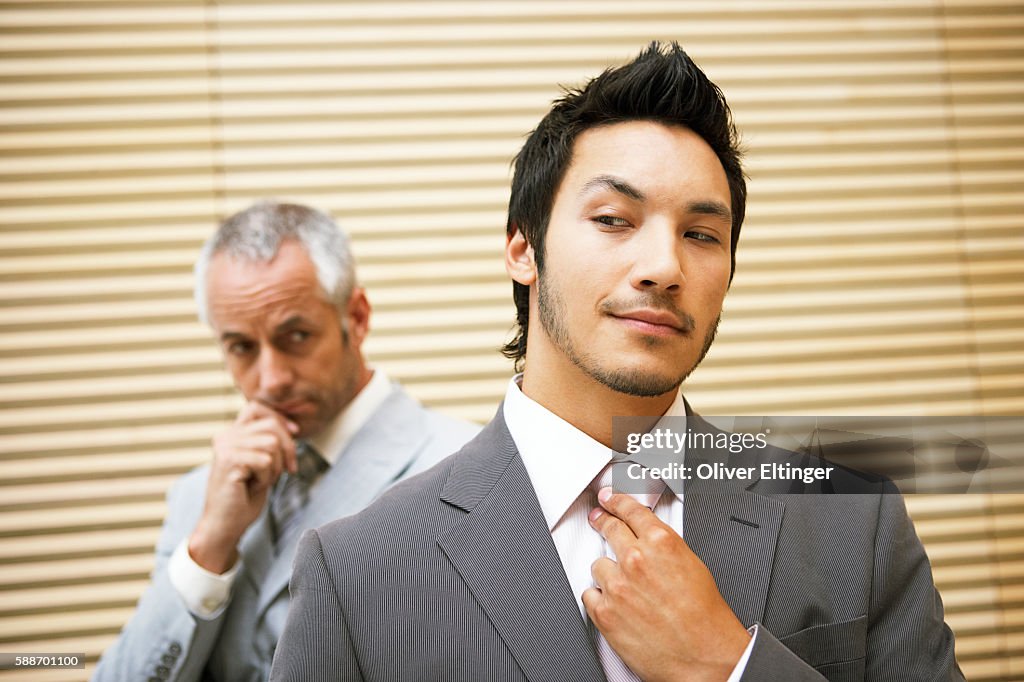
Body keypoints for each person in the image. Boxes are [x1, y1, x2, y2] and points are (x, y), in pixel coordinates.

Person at [270, 44, 963, 681]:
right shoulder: (358, 570)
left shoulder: (851, 519)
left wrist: (729, 666)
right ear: (523, 248)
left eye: (700, 234)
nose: (663, 267)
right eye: (612, 219)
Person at [93, 201, 480, 682]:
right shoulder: (200, 497)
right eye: (241, 347)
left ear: (356, 318)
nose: (270, 379)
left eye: (295, 336)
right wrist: (211, 545)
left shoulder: (468, 467)